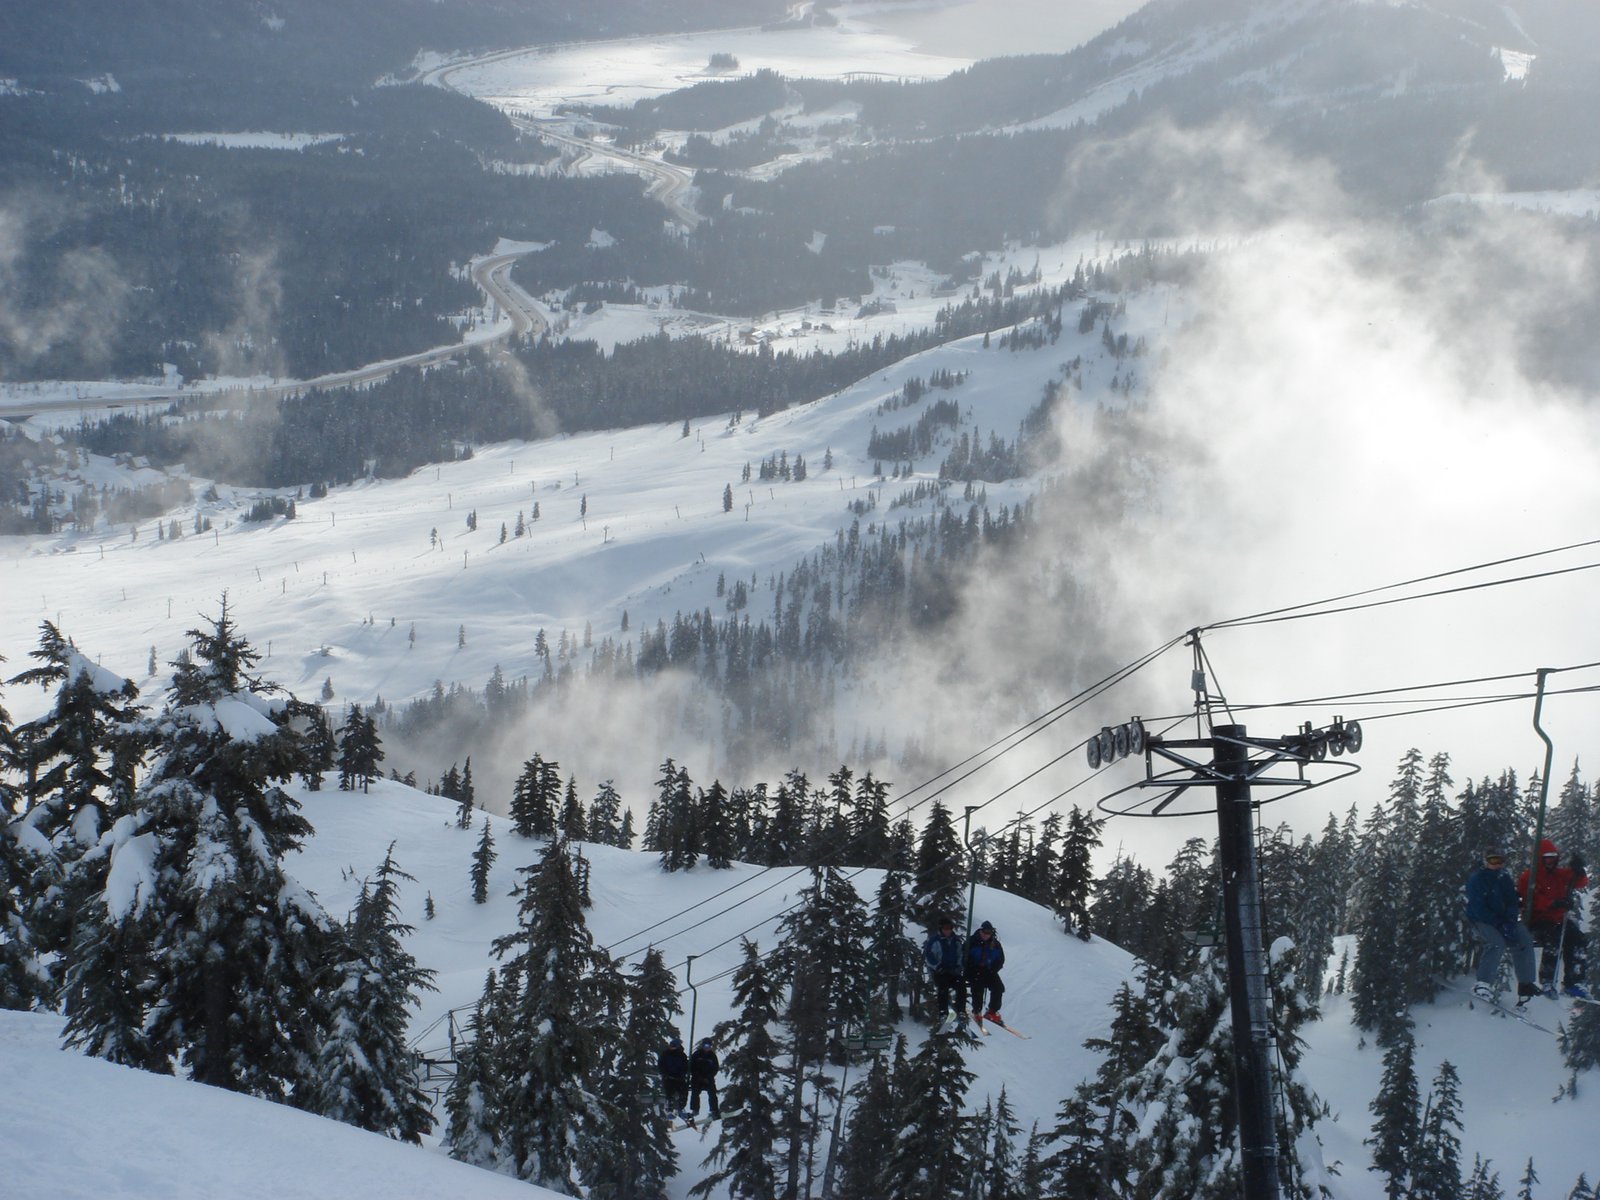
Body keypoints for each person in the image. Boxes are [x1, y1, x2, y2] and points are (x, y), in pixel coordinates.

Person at [1464, 844, 1541, 1007]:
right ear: (1485, 861)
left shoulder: (1504, 877)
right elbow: (1478, 907)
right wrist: (1498, 922)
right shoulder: (1477, 879)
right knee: (1496, 943)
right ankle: (1483, 983)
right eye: (1492, 860)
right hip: (1481, 920)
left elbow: (1512, 901)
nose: (1496, 864)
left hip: (1504, 919)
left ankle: (1526, 983)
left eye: (1499, 861)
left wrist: (1510, 920)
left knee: (1524, 939)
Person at [1517, 838, 1590, 999]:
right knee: (1553, 939)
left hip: (1558, 919)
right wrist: (1552, 903)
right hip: (1538, 919)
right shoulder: (1530, 876)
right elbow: (1530, 898)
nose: (1550, 862)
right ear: (1540, 859)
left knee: (1578, 939)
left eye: (1553, 858)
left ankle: (1574, 981)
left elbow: (1580, 882)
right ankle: (1547, 980)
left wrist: (1579, 870)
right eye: (1547, 859)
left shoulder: (1558, 874)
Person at [922, 914, 965, 1026]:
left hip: (953, 971)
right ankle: (943, 1012)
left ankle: (961, 1010)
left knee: (961, 985)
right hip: (940, 971)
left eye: (950, 928)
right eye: (946, 928)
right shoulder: (934, 941)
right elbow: (928, 955)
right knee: (943, 987)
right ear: (941, 929)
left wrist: (958, 967)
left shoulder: (956, 941)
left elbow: (960, 955)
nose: (948, 931)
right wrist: (938, 966)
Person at [966, 919, 1006, 1024]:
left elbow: (1000, 959)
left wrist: (993, 969)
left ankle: (992, 1011)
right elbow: (963, 956)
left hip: (989, 971)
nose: (986, 935)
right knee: (978, 987)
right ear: (980, 931)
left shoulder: (995, 944)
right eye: (984, 932)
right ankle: (977, 1011)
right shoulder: (972, 941)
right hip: (974, 970)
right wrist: (970, 968)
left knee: (998, 988)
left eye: (988, 933)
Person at [689, 1038, 720, 1120]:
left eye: (709, 1046)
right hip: (697, 1078)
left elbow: (715, 1068)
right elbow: (691, 1067)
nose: (707, 1048)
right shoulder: (696, 1054)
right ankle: (695, 1109)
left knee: (712, 1093)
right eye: (706, 1046)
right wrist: (698, 1076)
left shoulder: (712, 1056)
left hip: (708, 1079)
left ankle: (714, 1110)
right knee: (695, 1092)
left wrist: (709, 1077)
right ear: (702, 1046)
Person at [659, 1034, 689, 1115]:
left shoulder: (682, 1056)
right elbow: (661, 1065)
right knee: (669, 1090)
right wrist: (665, 1074)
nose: (671, 1047)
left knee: (684, 1091)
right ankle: (669, 1108)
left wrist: (682, 1075)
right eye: (671, 1045)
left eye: (673, 1046)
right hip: (668, 1077)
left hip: (679, 1078)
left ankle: (681, 1107)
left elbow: (685, 1067)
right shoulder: (665, 1054)